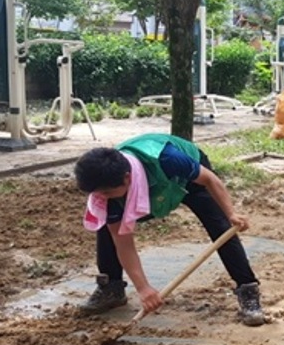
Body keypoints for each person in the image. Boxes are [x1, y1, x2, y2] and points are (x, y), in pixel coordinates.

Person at [73, 134, 265, 326]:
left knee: (220, 226)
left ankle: (247, 289)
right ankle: (111, 288)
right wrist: (143, 288)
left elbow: (209, 179)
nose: (102, 198)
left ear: (127, 178)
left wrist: (231, 213)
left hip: (187, 181)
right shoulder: (105, 196)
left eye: (106, 192)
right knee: (106, 226)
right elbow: (123, 243)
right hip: (147, 186)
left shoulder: (169, 159)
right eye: (97, 193)